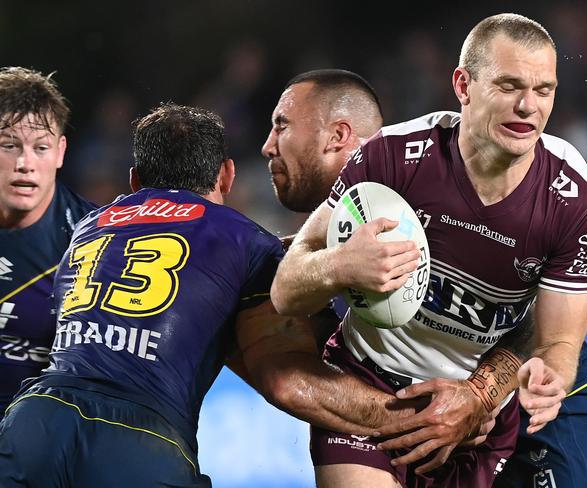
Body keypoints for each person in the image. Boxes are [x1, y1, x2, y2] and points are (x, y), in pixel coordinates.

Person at [270, 15, 587, 488]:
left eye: (543, 90)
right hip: (368, 382)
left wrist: (499, 392)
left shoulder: (580, 203)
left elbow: (556, 344)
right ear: (463, 85)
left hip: (476, 413)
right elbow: (287, 288)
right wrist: (339, 264)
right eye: (509, 86)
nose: (528, 106)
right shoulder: (392, 157)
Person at [0, 102, 447, 487]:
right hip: (138, 439)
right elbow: (285, 381)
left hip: (34, 420)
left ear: (135, 181)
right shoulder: (244, 242)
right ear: (227, 177)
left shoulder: (87, 227)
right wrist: (416, 421)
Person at [262, 68, 565, 487]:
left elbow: (543, 325)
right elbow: (291, 380)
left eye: (281, 126)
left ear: (338, 136)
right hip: (388, 396)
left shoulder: (431, 185)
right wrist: (426, 418)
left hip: (512, 396)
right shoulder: (283, 254)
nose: (267, 146)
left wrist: (479, 396)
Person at [0, 66, 96, 416]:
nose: (25, 163)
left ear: (60, 152)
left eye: (40, 147)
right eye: (9, 146)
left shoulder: (96, 239)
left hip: (46, 436)